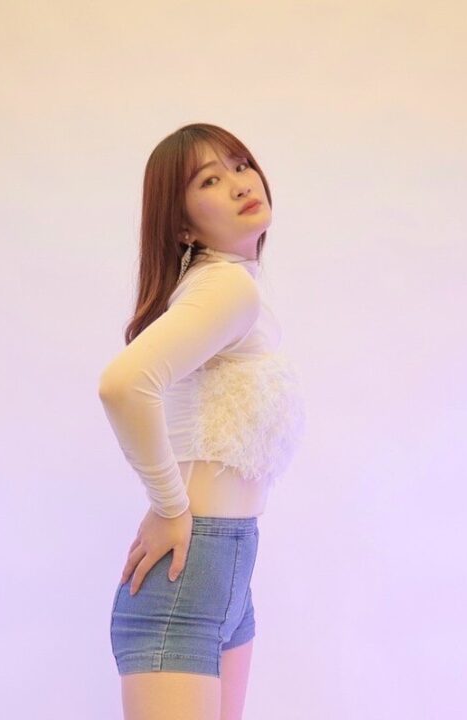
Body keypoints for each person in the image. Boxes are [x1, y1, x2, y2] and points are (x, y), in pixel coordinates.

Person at [98, 122, 306, 720]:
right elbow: (123, 385)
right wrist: (168, 505)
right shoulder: (225, 288)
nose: (240, 183)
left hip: (227, 571)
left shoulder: (229, 288)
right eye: (209, 181)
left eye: (240, 165)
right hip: (191, 578)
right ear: (183, 227)